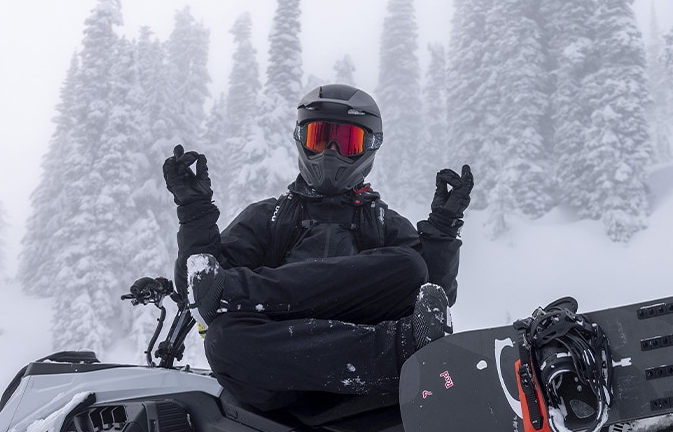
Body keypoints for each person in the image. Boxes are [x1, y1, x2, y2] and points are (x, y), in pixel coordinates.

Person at [162, 83, 473, 414]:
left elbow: (432, 296)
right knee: (223, 341)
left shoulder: (382, 222)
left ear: (369, 148)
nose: (330, 153)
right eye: (320, 139)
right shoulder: (271, 217)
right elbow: (196, 288)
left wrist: (441, 229)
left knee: (411, 267)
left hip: (368, 366)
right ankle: (401, 349)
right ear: (301, 141)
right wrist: (195, 214)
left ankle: (401, 348)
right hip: (279, 372)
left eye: (346, 143)